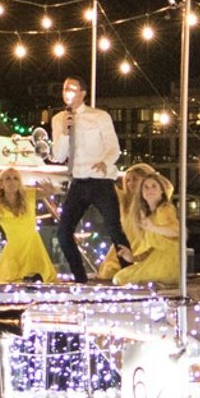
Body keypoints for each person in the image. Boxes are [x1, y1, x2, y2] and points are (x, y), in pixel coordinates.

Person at [48, 76, 128, 281]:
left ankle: (129, 273)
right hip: (79, 181)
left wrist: (105, 162)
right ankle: (80, 278)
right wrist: (65, 132)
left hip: (100, 181)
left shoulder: (99, 116)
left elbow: (113, 147)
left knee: (114, 229)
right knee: (63, 233)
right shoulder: (58, 119)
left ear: (83, 93)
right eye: (65, 88)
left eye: (73, 88)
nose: (68, 92)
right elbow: (57, 156)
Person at [0, 168, 57, 283]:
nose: (12, 181)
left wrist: (51, 189)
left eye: (15, 178)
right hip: (14, 250)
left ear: (19, 183)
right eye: (8, 179)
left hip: (33, 246)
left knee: (40, 280)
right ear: (1, 184)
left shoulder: (28, 195)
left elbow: (49, 192)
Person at [113, 172, 182, 286]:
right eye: (146, 187)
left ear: (161, 191)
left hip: (168, 263)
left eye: (154, 186)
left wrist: (153, 227)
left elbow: (176, 230)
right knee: (120, 277)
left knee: (121, 279)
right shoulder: (149, 217)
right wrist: (131, 257)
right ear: (142, 193)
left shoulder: (165, 209)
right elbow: (149, 249)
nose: (150, 190)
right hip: (154, 261)